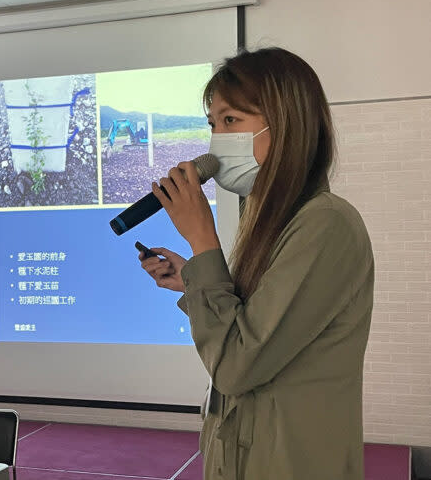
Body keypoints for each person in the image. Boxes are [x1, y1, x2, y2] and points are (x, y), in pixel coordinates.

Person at [140, 47, 374, 479]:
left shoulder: (326, 224)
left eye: (231, 120)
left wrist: (203, 240)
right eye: (212, 124)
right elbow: (250, 322)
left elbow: (236, 365)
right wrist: (192, 280)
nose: (218, 139)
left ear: (286, 125)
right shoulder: (268, 219)